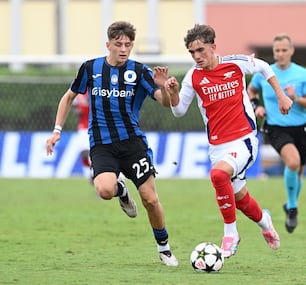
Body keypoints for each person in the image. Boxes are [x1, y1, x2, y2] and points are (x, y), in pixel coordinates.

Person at [46, 21, 178, 266]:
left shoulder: (140, 71)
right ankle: (122, 190)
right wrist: (56, 131)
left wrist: (167, 88)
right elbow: (69, 97)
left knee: (150, 198)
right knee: (105, 190)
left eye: (128, 44)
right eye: (118, 44)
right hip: (102, 144)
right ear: (108, 45)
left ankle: (164, 247)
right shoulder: (90, 68)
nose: (124, 49)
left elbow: (167, 103)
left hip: (132, 143)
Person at [164, 24, 292, 258]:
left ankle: (230, 233)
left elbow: (264, 67)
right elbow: (179, 110)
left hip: (244, 139)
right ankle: (264, 221)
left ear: (213, 47)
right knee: (239, 199)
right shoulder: (193, 76)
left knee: (218, 175)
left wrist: (281, 96)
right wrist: (171, 92)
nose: (197, 56)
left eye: (200, 50)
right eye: (192, 52)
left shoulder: (235, 63)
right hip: (217, 146)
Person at [247, 33, 306, 233]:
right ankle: (293, 209)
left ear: (291, 51)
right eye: (276, 50)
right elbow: (250, 91)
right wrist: (257, 106)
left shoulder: (303, 74)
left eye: (284, 50)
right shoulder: (264, 73)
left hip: (301, 128)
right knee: (293, 162)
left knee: (298, 173)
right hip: (277, 127)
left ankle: (290, 203)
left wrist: (296, 98)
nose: (280, 54)